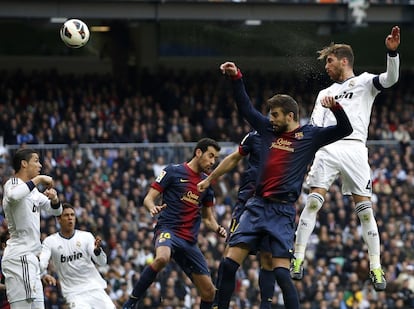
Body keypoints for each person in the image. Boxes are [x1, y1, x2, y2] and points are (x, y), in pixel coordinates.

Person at [216, 61, 353, 309]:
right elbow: (245, 108)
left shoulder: (310, 136)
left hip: (282, 212)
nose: (271, 119)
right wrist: (237, 78)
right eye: (270, 114)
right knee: (228, 264)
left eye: (275, 114)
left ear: (290, 116)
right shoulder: (268, 131)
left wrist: (337, 108)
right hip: (256, 206)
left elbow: (346, 128)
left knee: (281, 274)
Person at [291, 26, 401, 292]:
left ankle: (376, 267)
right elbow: (315, 126)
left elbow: (390, 80)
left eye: (329, 61)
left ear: (344, 60)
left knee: (365, 212)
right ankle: (297, 258)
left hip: (354, 149)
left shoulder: (364, 82)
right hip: (328, 148)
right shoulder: (323, 94)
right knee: (314, 201)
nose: (326, 67)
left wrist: (391, 53)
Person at [123, 138, 227, 309]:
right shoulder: (172, 171)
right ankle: (131, 302)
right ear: (198, 152)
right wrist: (152, 207)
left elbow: (208, 218)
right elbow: (148, 198)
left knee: (209, 291)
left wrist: (218, 228)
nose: (213, 162)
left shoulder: (206, 184)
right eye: (210, 156)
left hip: (189, 241)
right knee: (162, 258)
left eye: (215, 158)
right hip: (168, 230)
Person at [197, 131, 276, 309]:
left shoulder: (290, 139)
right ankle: (219, 304)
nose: (272, 119)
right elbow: (234, 158)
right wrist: (211, 179)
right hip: (247, 203)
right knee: (229, 259)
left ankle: (266, 305)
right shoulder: (255, 136)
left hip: (273, 206)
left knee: (268, 258)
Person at [1, 148, 62, 309]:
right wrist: (40, 179)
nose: (40, 165)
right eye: (36, 161)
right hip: (19, 258)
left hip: (31, 260)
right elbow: (14, 196)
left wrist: (55, 198)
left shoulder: (33, 192)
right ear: (23, 163)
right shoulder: (13, 184)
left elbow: (56, 211)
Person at [39, 203, 115, 309]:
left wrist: (98, 251)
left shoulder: (86, 236)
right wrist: (43, 274)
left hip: (94, 287)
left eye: (72, 215)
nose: (70, 218)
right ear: (59, 219)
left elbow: (102, 262)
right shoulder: (50, 241)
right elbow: (42, 262)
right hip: (74, 293)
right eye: (66, 215)